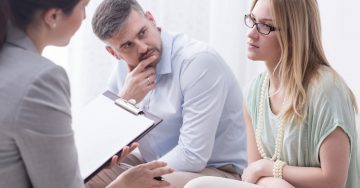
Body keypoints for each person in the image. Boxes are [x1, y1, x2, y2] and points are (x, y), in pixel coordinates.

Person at [184, 0, 359, 187]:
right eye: (252, 20)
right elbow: (253, 176)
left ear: (293, 35)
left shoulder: (327, 90)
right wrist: (267, 174)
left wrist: (269, 168)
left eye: (265, 26)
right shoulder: (254, 92)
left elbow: (333, 181)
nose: (251, 33)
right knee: (197, 184)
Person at [0, 0, 173, 187]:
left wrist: (94, 157)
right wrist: (124, 184)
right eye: (83, 7)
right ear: (53, 17)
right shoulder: (40, 79)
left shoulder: (11, 63)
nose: (84, 17)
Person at [89, 0, 248, 187]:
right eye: (127, 45)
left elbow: (192, 156)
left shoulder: (198, 62)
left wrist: (131, 180)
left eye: (142, 33)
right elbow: (103, 142)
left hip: (214, 171)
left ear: (151, 19)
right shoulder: (123, 71)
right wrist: (124, 100)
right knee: (76, 175)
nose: (141, 48)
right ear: (113, 53)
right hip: (154, 163)